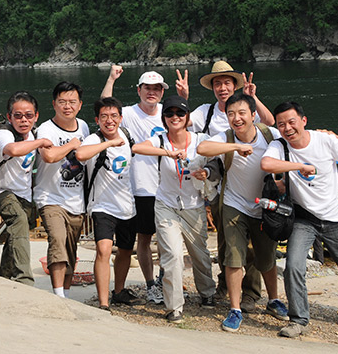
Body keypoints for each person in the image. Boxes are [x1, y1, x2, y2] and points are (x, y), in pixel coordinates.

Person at [261, 102, 338, 338]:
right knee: (293, 266)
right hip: (304, 218)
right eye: (282, 124)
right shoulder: (279, 145)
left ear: (303, 121)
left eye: (292, 122)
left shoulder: (325, 140)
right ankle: (298, 319)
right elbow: (266, 164)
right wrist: (299, 166)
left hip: (335, 216)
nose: (288, 128)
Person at [177, 60, 271, 304]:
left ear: (234, 85)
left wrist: (253, 98)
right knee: (227, 242)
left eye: (226, 83)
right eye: (217, 84)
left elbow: (270, 124)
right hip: (218, 183)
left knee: (250, 244)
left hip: (250, 183)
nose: (222, 88)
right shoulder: (205, 111)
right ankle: (226, 285)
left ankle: (251, 291)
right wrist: (183, 98)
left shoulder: (246, 108)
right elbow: (181, 123)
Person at [196, 92, 288, 332]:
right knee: (233, 257)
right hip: (234, 204)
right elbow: (202, 147)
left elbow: (295, 140)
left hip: (264, 206)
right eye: (231, 114)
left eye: (242, 113)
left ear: (253, 115)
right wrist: (236, 146)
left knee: (266, 258)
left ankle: (273, 300)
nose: (236, 118)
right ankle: (235, 309)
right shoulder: (226, 138)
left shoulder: (270, 136)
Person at [132, 95, 216, 323]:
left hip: (194, 205)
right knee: (172, 255)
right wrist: (167, 153)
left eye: (180, 113)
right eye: (169, 113)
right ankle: (174, 306)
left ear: (187, 117)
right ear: (164, 118)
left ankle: (207, 292)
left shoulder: (200, 139)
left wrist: (207, 172)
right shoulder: (160, 140)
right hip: (166, 205)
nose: (174, 117)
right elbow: (137, 148)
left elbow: (216, 160)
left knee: (200, 255)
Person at [101, 65, 168, 304]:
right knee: (145, 238)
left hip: (168, 186)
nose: (152, 92)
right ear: (139, 90)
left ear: (162, 92)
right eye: (147, 88)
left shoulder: (168, 112)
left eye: (156, 88)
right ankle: (150, 284)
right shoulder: (128, 113)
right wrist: (111, 79)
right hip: (140, 186)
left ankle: (165, 279)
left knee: (168, 238)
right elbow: (105, 106)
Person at [75, 97, 136, 309]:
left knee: (125, 250)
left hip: (126, 205)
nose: (109, 121)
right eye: (104, 117)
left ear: (120, 118)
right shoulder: (93, 139)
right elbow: (80, 154)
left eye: (113, 116)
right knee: (103, 250)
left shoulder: (127, 135)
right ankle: (103, 303)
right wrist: (109, 143)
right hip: (102, 205)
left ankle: (119, 291)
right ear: (97, 120)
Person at [0, 91, 52, 285]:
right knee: (19, 220)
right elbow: (13, 150)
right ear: (9, 117)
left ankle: (4, 278)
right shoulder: (3, 134)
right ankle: (24, 279)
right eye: (18, 115)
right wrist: (40, 142)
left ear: (36, 116)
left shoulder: (34, 133)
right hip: (1, 191)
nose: (24, 120)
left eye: (29, 115)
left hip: (24, 194)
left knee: (16, 234)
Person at [35, 82, 90, 298]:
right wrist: (71, 145)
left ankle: (65, 294)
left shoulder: (84, 126)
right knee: (57, 241)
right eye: (62, 102)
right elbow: (49, 156)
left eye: (72, 102)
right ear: (54, 104)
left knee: (71, 249)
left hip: (76, 200)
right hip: (50, 197)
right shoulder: (46, 129)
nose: (67, 106)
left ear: (80, 105)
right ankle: (58, 295)